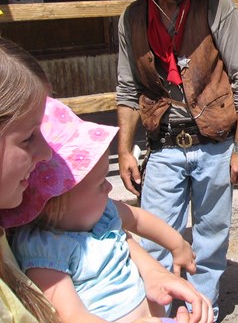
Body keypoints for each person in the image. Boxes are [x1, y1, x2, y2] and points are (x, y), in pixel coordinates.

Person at [0, 37, 213, 323]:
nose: (43, 152)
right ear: (54, 202)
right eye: (27, 138)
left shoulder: (96, 217)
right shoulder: (46, 249)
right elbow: (73, 317)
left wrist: (163, 262)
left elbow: (129, 229)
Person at [113, 0, 238, 320]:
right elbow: (127, 89)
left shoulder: (217, 5)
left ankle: (200, 309)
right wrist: (125, 150)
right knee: (155, 238)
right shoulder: (131, 18)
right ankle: (158, 312)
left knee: (212, 239)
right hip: (163, 146)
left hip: (215, 143)